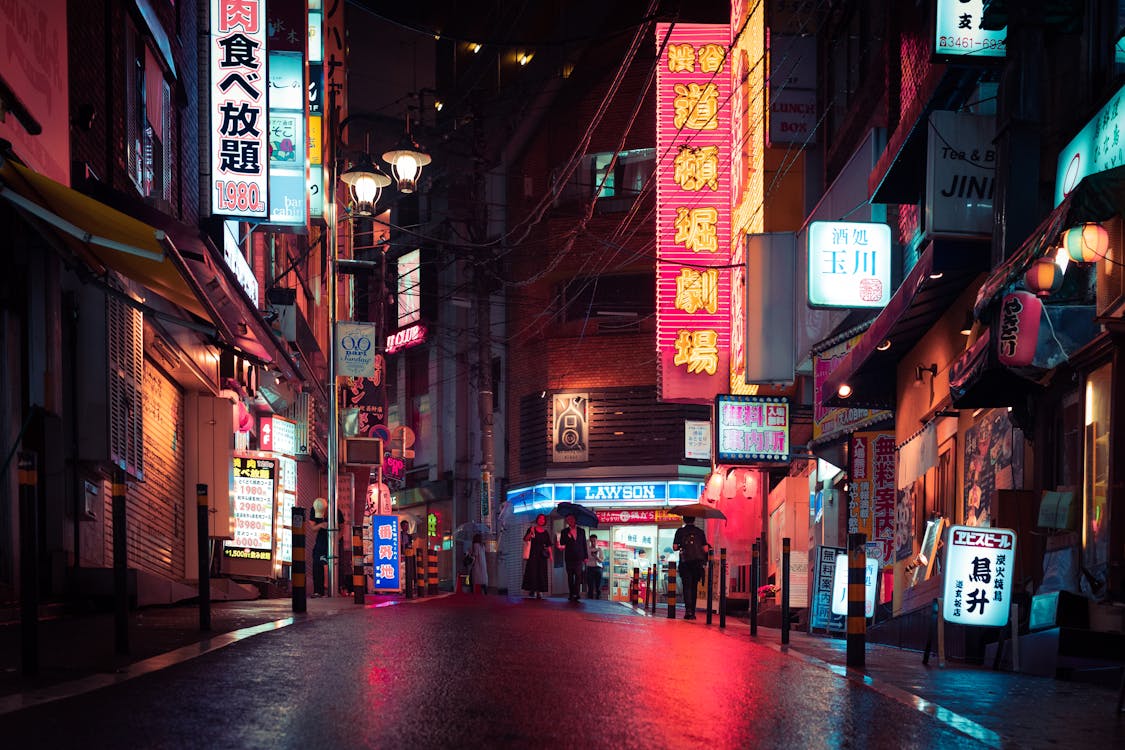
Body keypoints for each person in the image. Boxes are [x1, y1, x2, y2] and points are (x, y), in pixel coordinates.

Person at [672, 516, 710, 620]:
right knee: (694, 587)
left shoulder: (680, 531)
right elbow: (706, 549)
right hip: (697, 564)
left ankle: (687, 610)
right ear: (694, 520)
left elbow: (675, 547)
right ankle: (693, 611)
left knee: (686, 586)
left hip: (685, 563)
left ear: (684, 520)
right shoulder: (700, 532)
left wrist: (682, 547)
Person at [558, 513, 588, 602]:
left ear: (575, 520)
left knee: (578, 576)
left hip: (579, 557)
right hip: (569, 557)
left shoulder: (581, 531)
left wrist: (585, 556)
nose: (569, 521)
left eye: (571, 519)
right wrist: (568, 537)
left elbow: (584, 544)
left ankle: (577, 593)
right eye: (568, 520)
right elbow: (562, 543)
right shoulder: (564, 531)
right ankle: (571, 594)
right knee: (570, 577)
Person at [521, 514, 552, 599]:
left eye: (543, 519)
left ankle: (540, 591)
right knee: (533, 572)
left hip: (542, 555)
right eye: (540, 519)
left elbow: (549, 545)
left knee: (541, 573)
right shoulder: (532, 529)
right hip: (533, 554)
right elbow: (525, 539)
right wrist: (530, 534)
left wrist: (551, 555)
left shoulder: (545, 532)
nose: (541, 520)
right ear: (537, 520)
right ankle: (532, 590)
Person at [308, 497, 329, 597]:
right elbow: (312, 528)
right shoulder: (314, 509)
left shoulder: (334, 511)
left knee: (330, 564)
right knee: (317, 562)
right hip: (320, 541)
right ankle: (318, 590)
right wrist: (321, 525)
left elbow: (342, 527)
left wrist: (337, 538)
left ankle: (332, 588)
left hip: (332, 541)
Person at [585, 533, 604, 599]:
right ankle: (590, 599)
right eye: (591, 541)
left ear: (596, 541)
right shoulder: (587, 549)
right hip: (590, 568)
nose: (593, 542)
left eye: (594, 541)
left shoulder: (599, 549)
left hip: (598, 568)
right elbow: (585, 558)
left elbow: (601, 560)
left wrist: (596, 557)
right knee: (590, 585)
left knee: (598, 585)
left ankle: (598, 598)